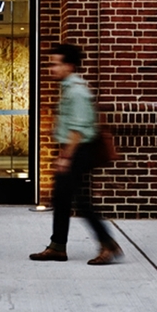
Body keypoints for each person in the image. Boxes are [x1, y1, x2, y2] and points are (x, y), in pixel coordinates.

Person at [29, 42, 122, 265]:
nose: (52, 69)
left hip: (79, 151)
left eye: (55, 64)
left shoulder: (77, 91)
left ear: (69, 66)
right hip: (74, 151)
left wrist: (66, 157)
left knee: (81, 202)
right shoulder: (69, 89)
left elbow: (78, 130)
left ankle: (108, 245)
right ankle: (57, 247)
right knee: (61, 199)